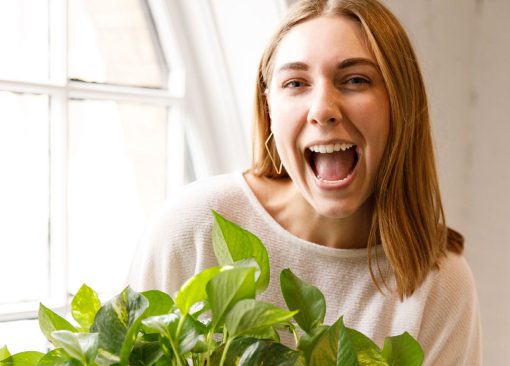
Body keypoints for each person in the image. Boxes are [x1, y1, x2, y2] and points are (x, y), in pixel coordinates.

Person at [128, 0, 482, 364]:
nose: (323, 109)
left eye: (356, 80)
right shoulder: (194, 227)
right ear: (269, 108)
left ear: (400, 102)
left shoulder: (440, 283)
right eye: (295, 83)